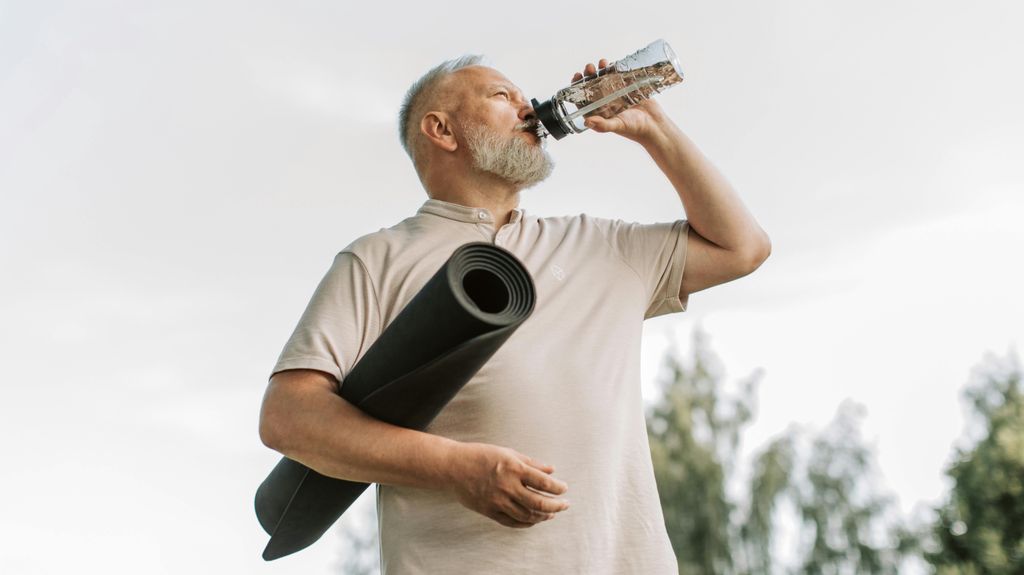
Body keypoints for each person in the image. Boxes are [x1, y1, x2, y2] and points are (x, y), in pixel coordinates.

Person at [258, 54, 771, 574]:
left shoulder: (600, 244)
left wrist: (654, 128)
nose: (527, 105)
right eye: (501, 96)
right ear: (442, 129)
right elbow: (288, 417)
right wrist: (455, 467)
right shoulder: (377, 259)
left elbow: (741, 247)